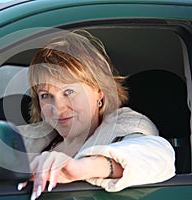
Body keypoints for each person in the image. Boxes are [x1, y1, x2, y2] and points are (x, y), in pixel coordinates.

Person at [16, 30, 175, 200]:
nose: (58, 108)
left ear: (98, 91)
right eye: (46, 95)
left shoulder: (127, 125)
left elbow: (158, 156)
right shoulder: (27, 138)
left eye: (69, 91)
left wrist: (82, 168)